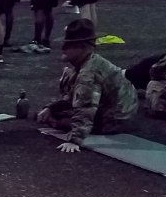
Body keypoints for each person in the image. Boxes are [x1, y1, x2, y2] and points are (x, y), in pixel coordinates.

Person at [38, 19, 137, 153]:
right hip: (117, 108)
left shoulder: (88, 73)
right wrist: (52, 108)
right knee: (55, 114)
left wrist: (74, 139)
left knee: (62, 122)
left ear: (82, 47)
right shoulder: (86, 62)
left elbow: (86, 107)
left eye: (69, 45)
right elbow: (74, 97)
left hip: (117, 117)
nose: (63, 48)